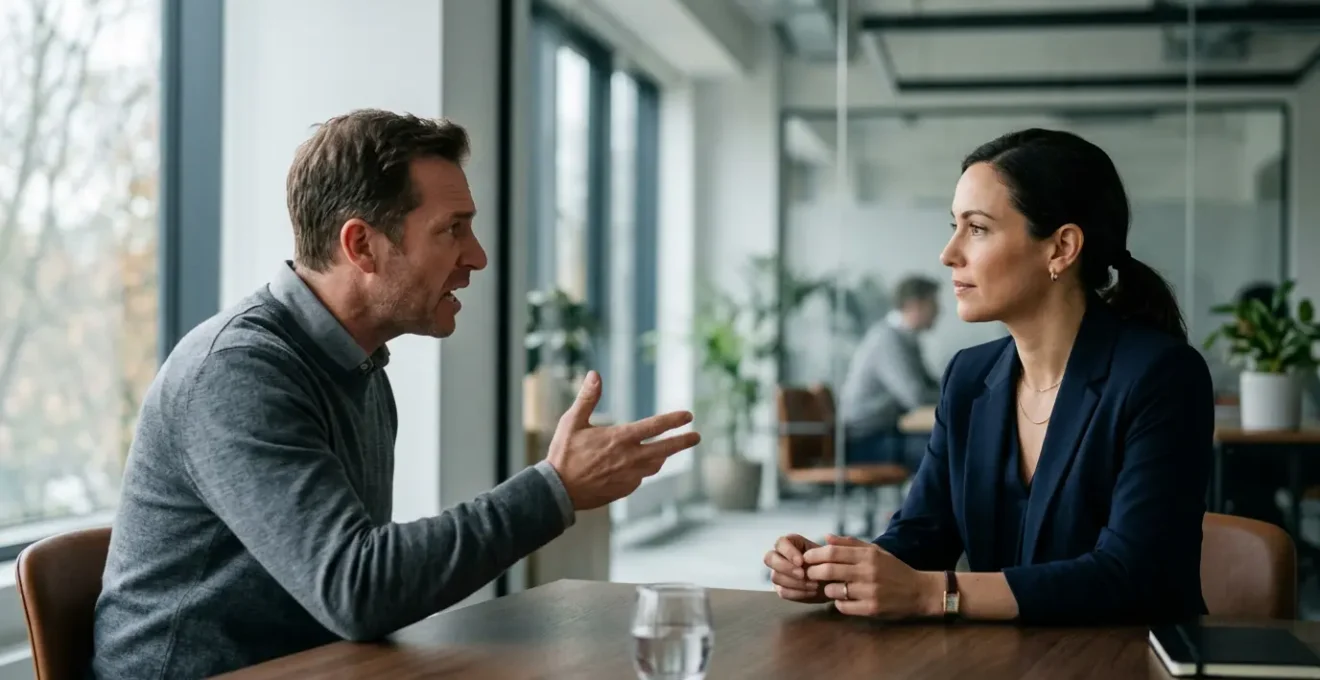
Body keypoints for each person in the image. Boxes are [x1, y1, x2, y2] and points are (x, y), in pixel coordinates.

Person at [89, 110, 700, 679]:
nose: (478, 257)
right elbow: (357, 589)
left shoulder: (358, 365)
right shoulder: (238, 372)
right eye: (452, 230)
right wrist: (555, 487)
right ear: (361, 247)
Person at [764, 128, 1213, 626]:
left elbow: (1132, 575)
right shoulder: (970, 377)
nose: (948, 253)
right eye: (954, 226)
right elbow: (922, 536)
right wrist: (836, 570)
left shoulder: (1160, 375)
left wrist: (936, 594)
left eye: (976, 228)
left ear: (1061, 247)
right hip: (1003, 661)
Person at [838, 275, 941, 468]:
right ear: (914, 305)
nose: (939, 310)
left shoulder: (905, 339)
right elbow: (915, 397)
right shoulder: (888, 340)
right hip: (864, 441)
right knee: (946, 449)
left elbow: (931, 386)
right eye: (933, 303)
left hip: (884, 432)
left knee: (950, 442)